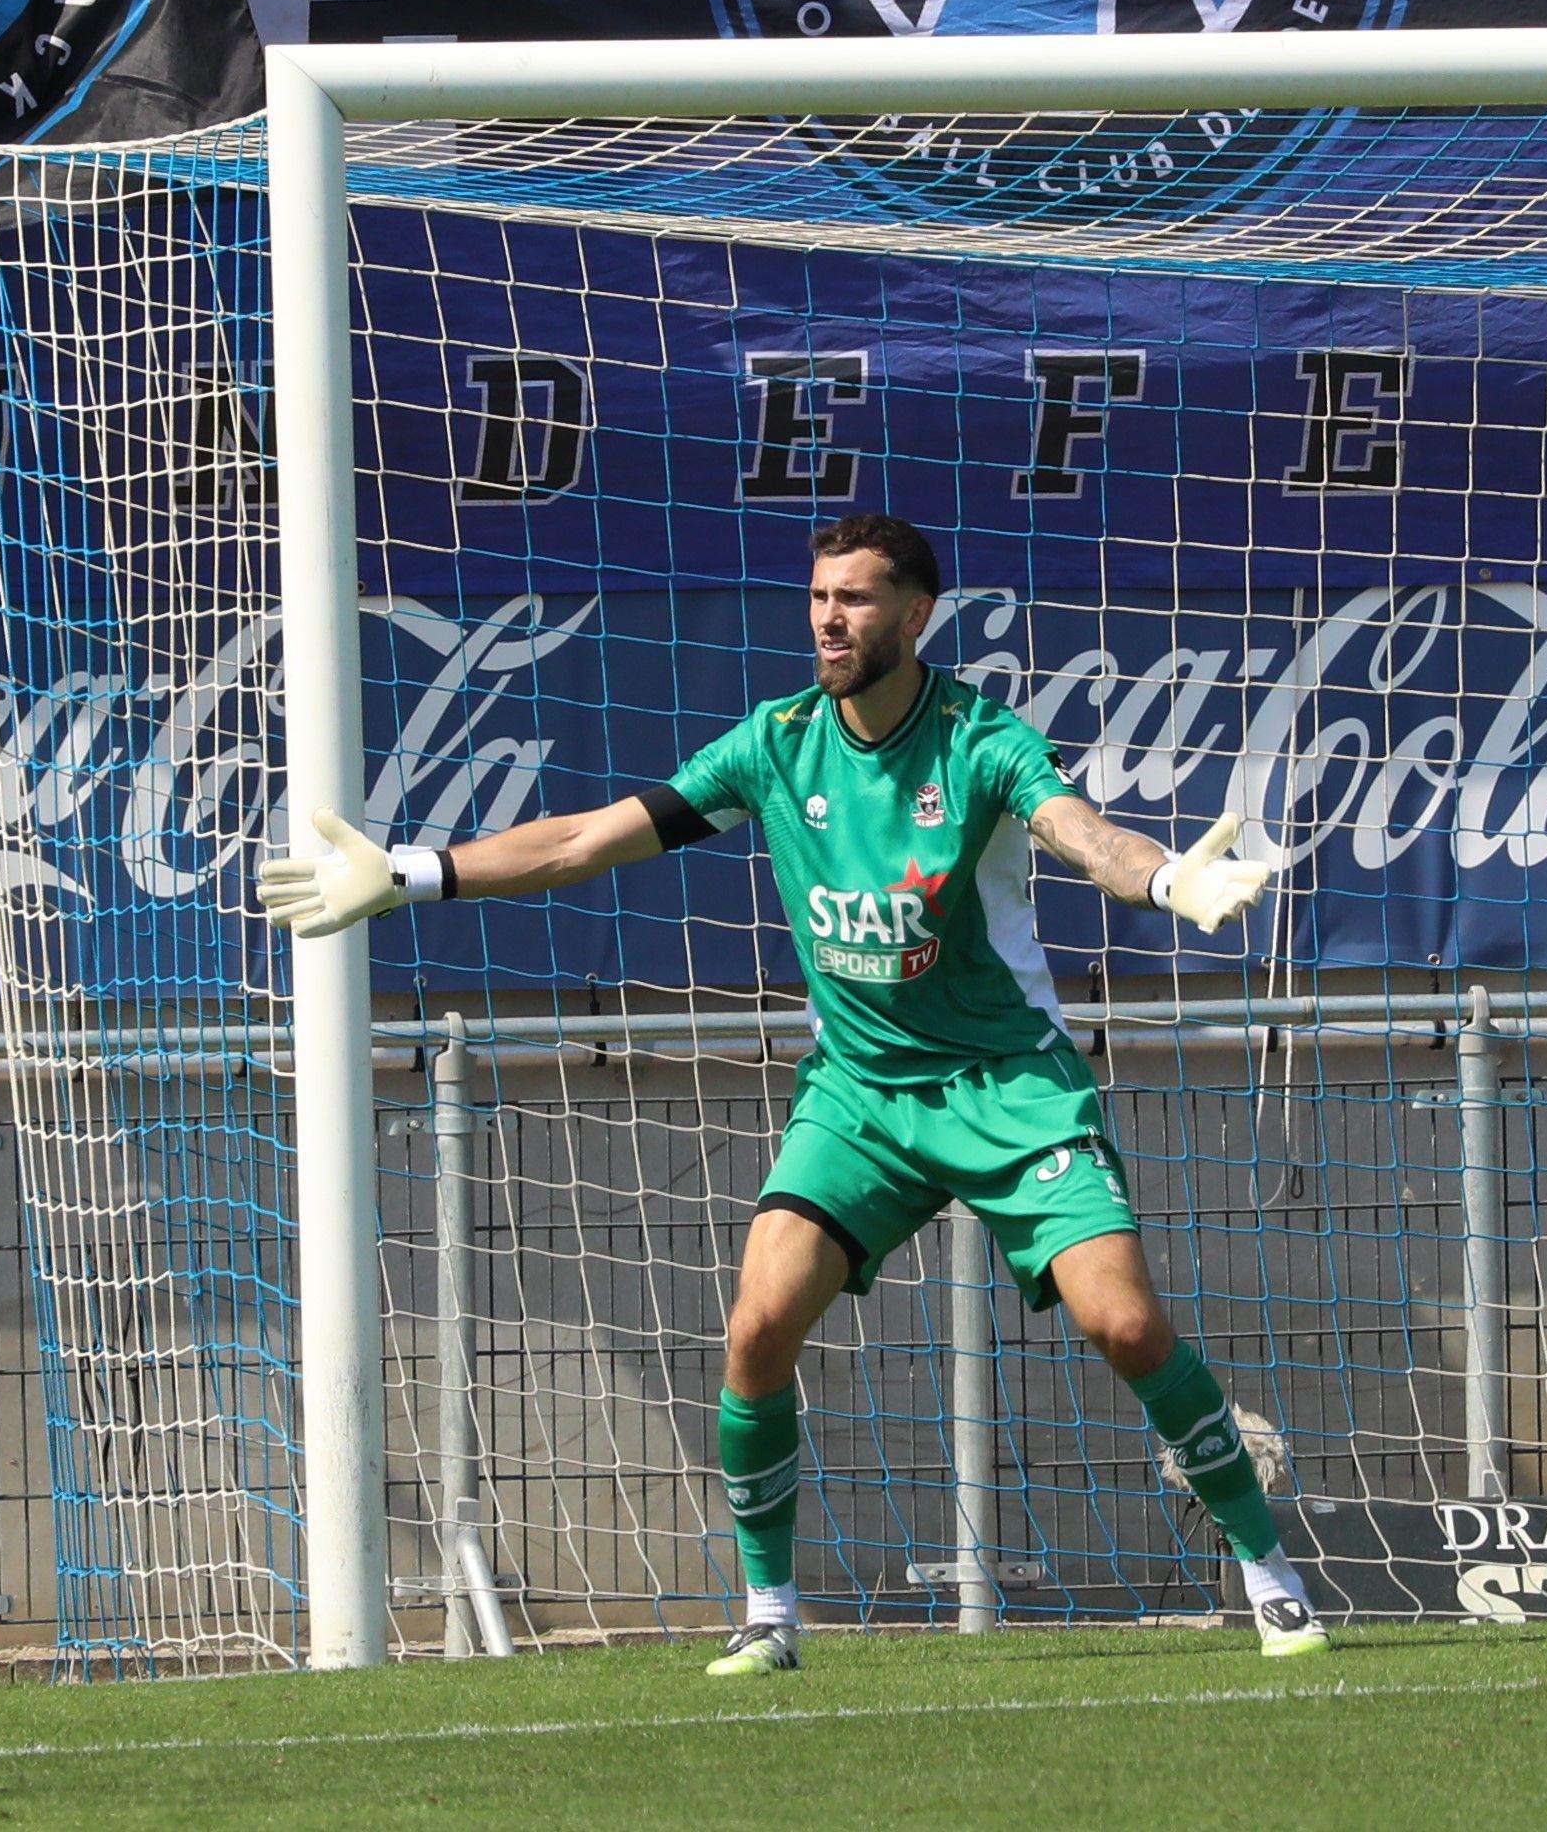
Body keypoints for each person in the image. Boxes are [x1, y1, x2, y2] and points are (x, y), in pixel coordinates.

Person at [256, 512, 1331, 1675]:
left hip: (1009, 1087)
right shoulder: (774, 746)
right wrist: (416, 870)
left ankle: (1269, 1572)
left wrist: (1167, 876)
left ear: (915, 616)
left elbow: (1081, 833)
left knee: (1124, 1324)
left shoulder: (978, 738)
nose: (830, 617)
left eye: (858, 599)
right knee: (758, 1326)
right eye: (820, 596)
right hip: (860, 1097)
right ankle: (771, 1614)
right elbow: (584, 839)